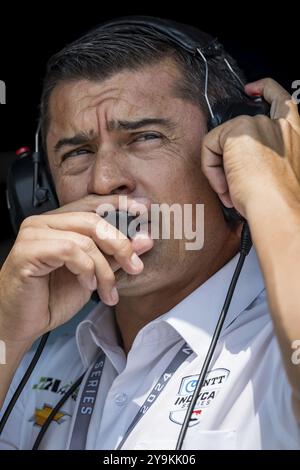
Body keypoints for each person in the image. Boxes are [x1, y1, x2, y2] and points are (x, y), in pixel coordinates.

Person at [0, 17, 299, 450]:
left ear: (232, 155)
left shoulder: (277, 349)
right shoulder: (25, 357)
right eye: (78, 152)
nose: (103, 181)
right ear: (39, 193)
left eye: (145, 137)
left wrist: (276, 191)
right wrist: (7, 329)